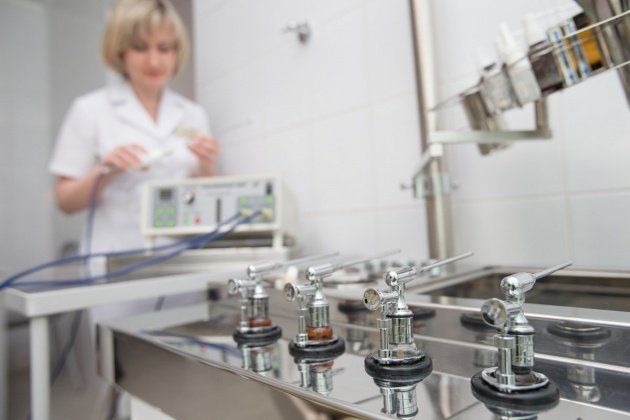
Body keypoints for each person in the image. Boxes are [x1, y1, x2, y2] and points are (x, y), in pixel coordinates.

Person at [49, 0, 219, 254]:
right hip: (113, 256)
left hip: (180, 255)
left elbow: (207, 203)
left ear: (176, 52)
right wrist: (105, 171)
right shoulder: (90, 110)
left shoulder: (193, 115)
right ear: (121, 52)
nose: (154, 61)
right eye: (140, 48)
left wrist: (207, 167)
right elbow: (65, 202)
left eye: (164, 48)